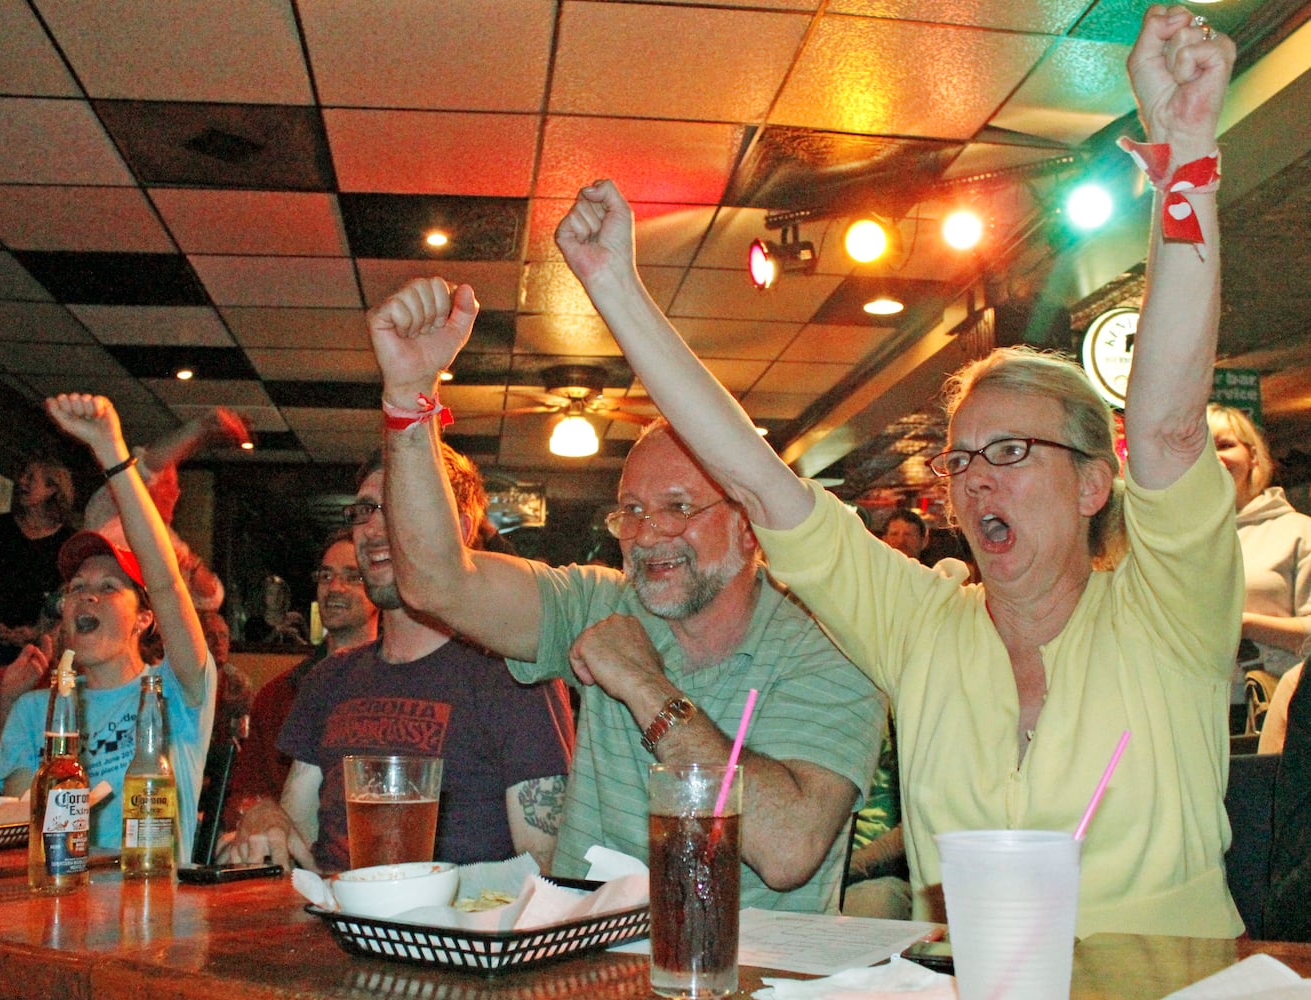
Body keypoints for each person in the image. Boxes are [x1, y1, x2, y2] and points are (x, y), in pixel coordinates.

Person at [532, 8, 1240, 938]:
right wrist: (614, 286)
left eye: (1013, 452)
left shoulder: (1169, 611)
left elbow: (1171, 429)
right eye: (960, 459)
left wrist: (1184, 154)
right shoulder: (925, 629)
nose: (977, 479)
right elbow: (755, 479)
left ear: (1093, 484)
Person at [368, 312, 886, 914]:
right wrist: (409, 397)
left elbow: (788, 850)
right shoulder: (599, 603)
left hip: (750, 977)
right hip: (581, 968)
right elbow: (435, 582)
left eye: (677, 506)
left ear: (748, 526)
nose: (647, 534)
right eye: (631, 511)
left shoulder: (830, 641)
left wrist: (644, 685)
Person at [221, 446, 574, 874]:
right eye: (366, 510)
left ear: (460, 530)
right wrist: (264, 818)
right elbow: (298, 850)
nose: (373, 528)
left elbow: (546, 877)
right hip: (334, 928)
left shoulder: (515, 675)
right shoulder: (331, 678)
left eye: (400, 507)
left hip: (454, 935)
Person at [0, 394, 216, 859]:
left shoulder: (174, 692)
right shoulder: (37, 713)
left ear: (144, 617)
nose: (87, 594)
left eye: (110, 586)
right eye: (76, 587)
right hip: (60, 909)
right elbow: (19, 837)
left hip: (157, 911)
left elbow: (167, 581)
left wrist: (112, 452)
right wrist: (9, 702)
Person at [224, 527, 379, 817]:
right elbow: (243, 799)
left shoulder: (401, 688)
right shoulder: (278, 696)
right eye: (326, 575)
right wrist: (256, 815)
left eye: (352, 576)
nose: (335, 587)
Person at [81, 406, 249, 614]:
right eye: (164, 482)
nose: (172, 491)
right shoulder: (110, 508)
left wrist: (191, 564)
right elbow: (147, 466)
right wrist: (199, 427)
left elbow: (212, 597)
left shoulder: (168, 538)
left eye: (173, 485)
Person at [1207, 404, 1311, 719]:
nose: (1215, 458)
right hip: (1194, 708)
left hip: (1277, 705)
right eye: (1201, 449)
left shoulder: (1298, 531)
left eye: (1225, 445)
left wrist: (1243, 624)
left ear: (1253, 455)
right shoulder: (1180, 539)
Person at [0, 457, 77, 668]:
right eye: (23, 475)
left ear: (52, 488)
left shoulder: (68, 541)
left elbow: (66, 594)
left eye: (31, 478)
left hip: (38, 646)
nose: (22, 481)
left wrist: (37, 632)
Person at [199, 610, 253, 745]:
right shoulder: (183, 680)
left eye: (223, 636)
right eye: (210, 636)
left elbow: (246, 731)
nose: (218, 642)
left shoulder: (238, 683)